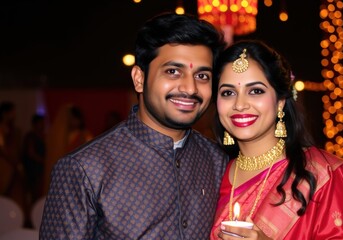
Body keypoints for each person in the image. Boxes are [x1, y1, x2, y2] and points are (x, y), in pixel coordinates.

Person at [40, 12, 228, 239]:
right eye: (173, 71)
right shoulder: (84, 169)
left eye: (202, 76)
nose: (190, 88)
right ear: (139, 79)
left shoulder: (218, 161)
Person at [210, 40, 343, 239]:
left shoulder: (322, 173)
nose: (240, 104)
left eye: (256, 91)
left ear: (280, 102)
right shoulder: (211, 172)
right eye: (228, 93)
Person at [22, 113, 46, 204]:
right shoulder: (30, 136)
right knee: (34, 195)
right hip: (33, 170)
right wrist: (44, 161)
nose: (43, 125)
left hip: (41, 170)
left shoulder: (43, 136)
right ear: (35, 124)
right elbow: (31, 153)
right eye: (41, 123)